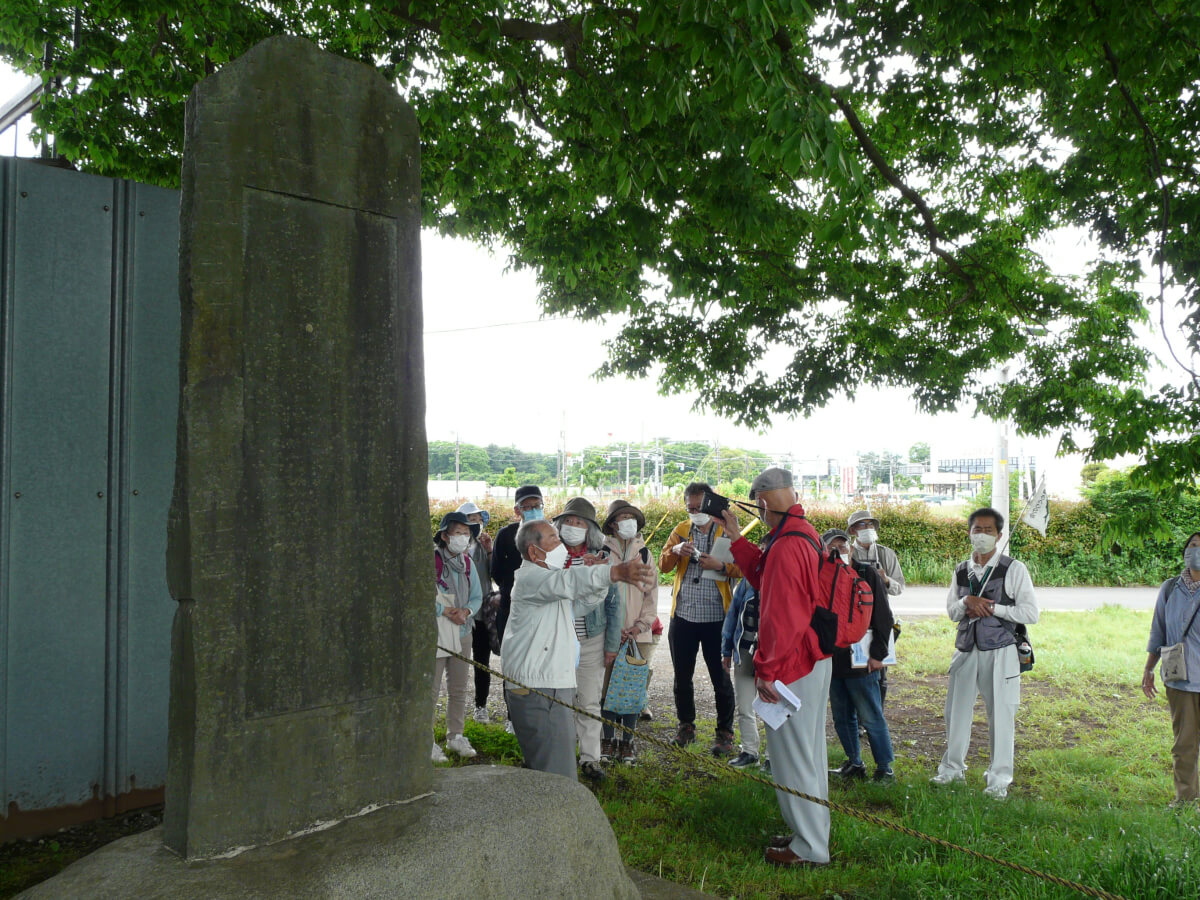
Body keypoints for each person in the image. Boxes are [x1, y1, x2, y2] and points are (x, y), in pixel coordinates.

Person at [721, 467, 832, 867]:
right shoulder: (802, 533)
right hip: (810, 658)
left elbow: (781, 615)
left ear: (763, 501)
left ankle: (809, 848)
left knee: (793, 756)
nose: (759, 515)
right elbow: (764, 578)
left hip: (793, 663)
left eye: (757, 507)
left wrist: (767, 670)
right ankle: (811, 832)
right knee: (809, 752)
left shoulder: (787, 545)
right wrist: (737, 539)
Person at [502, 518, 656, 780]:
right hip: (539, 686)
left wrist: (602, 581)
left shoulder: (544, 581)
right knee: (556, 773)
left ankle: (555, 815)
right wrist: (614, 573)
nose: (561, 543)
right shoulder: (532, 578)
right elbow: (568, 582)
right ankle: (558, 819)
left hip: (547, 683)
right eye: (554, 539)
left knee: (553, 768)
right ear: (533, 551)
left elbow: (575, 608)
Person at [932, 507, 1038, 799]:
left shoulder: (1013, 569)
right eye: (976, 530)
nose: (981, 536)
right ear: (969, 533)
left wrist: (993, 607)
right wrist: (967, 601)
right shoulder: (961, 570)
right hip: (966, 648)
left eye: (988, 531)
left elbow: (1030, 613)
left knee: (1001, 715)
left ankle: (998, 780)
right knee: (955, 712)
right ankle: (952, 771)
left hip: (1001, 650)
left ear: (999, 535)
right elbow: (952, 612)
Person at [659, 481, 741, 755]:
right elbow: (663, 565)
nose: (695, 512)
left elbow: (744, 567)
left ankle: (725, 733)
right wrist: (674, 551)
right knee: (683, 676)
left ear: (710, 505)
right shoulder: (681, 530)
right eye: (690, 508)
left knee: (721, 677)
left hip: (717, 618)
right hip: (683, 616)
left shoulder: (726, 531)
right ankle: (686, 726)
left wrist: (721, 566)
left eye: (699, 507)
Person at [553, 497, 622, 781]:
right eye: (567, 522)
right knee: (559, 700)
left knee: (589, 700)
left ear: (590, 528)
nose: (572, 527)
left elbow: (614, 604)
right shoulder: (550, 555)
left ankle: (591, 760)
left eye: (579, 523)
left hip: (592, 638)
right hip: (556, 638)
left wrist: (611, 645)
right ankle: (561, 758)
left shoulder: (602, 556)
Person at [822, 528, 895, 783]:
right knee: (841, 716)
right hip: (832, 659)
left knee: (871, 715)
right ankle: (855, 763)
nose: (838, 551)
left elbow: (884, 616)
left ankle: (885, 768)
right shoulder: (821, 573)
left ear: (851, 549)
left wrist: (878, 655)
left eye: (842, 546)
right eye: (832, 547)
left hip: (863, 660)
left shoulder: (867, 573)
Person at [1142, 531, 1200, 807]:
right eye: (1193, 545)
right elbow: (1159, 631)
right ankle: (1185, 799)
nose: (1196, 550)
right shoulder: (1170, 588)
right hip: (1181, 680)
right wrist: (1149, 669)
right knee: (1184, 744)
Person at [600, 500, 659, 764]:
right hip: (606, 635)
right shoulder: (601, 553)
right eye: (622, 517)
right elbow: (596, 593)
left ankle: (628, 743)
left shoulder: (645, 554)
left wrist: (639, 626)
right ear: (612, 524)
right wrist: (610, 628)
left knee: (632, 691)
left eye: (631, 517)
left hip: (639, 635)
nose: (627, 522)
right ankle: (607, 740)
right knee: (607, 689)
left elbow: (652, 596)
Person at [431, 511, 484, 763]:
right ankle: (425, 741)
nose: (463, 538)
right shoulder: (431, 560)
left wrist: (466, 611)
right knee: (430, 689)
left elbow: (477, 595)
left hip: (462, 631)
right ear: (445, 535)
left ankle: (456, 736)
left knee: (459, 687)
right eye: (458, 533)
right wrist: (444, 611)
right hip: (437, 633)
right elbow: (421, 597)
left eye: (467, 533)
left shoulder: (467, 563)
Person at [491, 485, 545, 733]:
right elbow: (496, 572)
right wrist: (508, 589)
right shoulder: (506, 534)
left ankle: (539, 712)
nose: (534, 510)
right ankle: (513, 717)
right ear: (517, 510)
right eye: (528, 506)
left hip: (541, 610)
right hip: (510, 609)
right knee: (512, 662)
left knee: (540, 660)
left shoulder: (549, 533)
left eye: (538, 505)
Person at [846, 509, 905, 709]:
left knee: (879, 670)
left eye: (871, 524)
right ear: (853, 530)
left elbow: (900, 588)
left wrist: (885, 580)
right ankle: (859, 716)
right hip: (852, 619)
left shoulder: (886, 554)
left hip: (881, 619)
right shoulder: (847, 553)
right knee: (854, 669)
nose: (868, 529)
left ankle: (876, 711)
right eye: (862, 525)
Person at [721, 551, 770, 771]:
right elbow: (732, 615)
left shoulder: (785, 580)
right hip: (745, 650)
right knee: (745, 706)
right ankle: (749, 751)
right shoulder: (747, 582)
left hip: (773, 656)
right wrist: (727, 650)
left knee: (772, 707)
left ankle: (773, 756)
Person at [457, 500, 496, 724]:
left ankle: (480, 706)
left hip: (481, 613)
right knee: (457, 662)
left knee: (482, 661)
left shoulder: (484, 546)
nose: (475, 524)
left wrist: (490, 550)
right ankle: (457, 706)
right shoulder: (451, 548)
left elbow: (495, 574)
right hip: (458, 614)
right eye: (471, 520)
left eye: (478, 520)